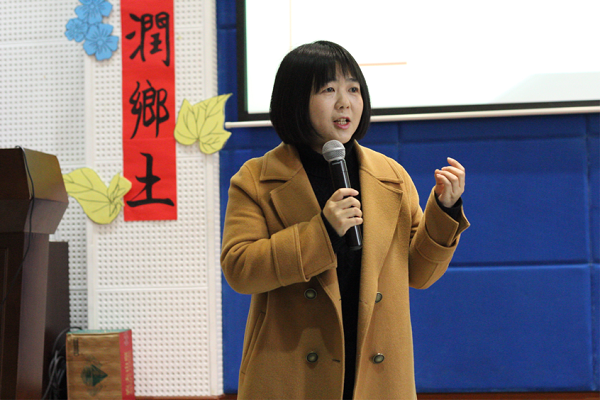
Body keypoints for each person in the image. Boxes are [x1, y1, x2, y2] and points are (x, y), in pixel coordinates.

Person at [221, 40, 469, 400]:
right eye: (328, 90)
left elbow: (420, 274)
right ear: (295, 100)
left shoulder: (391, 176)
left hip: (376, 377)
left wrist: (444, 211)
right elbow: (240, 269)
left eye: (353, 89)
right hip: (292, 377)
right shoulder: (256, 178)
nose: (344, 102)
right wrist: (322, 233)